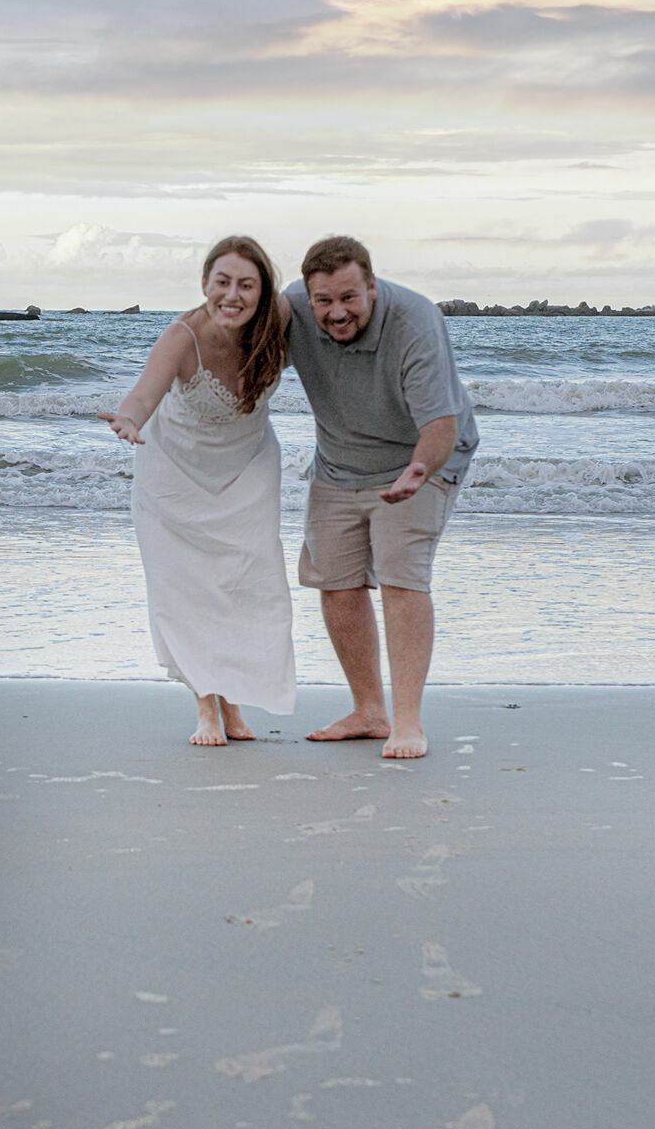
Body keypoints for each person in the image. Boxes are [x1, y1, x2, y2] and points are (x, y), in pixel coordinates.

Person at [280, 236, 478, 759]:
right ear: (308, 295)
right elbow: (240, 356)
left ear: (372, 286)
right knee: (335, 580)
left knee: (400, 573)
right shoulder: (293, 308)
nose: (336, 312)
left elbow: (440, 422)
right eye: (323, 301)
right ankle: (369, 711)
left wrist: (419, 470)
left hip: (423, 456)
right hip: (340, 462)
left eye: (349, 297)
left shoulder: (414, 321)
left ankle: (407, 722)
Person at [98, 236, 296, 745]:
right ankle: (207, 706)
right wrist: (128, 417)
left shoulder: (280, 319)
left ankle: (232, 703)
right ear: (205, 283)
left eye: (245, 285)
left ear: (263, 289)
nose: (232, 295)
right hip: (175, 474)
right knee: (188, 591)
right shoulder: (182, 336)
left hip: (248, 470)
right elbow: (146, 390)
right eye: (222, 282)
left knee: (243, 588)